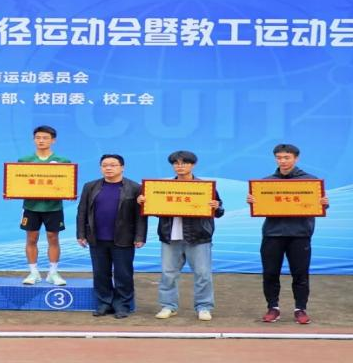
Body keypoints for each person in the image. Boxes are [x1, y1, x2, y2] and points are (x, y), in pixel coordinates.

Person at [246, 143, 329, 325]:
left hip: (300, 234)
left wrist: (323, 203)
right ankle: (272, 308)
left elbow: (319, 205)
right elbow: (261, 205)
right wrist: (254, 201)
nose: (282, 161)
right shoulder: (265, 183)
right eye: (279, 157)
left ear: (296, 158)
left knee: (300, 274)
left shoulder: (310, 181)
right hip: (272, 234)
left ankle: (300, 309)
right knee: (270, 273)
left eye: (286, 157)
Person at [137, 151, 223, 321]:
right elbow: (156, 210)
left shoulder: (205, 188)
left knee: (203, 274)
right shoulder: (162, 188)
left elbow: (219, 211)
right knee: (168, 274)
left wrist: (216, 206)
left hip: (199, 238)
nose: (180, 166)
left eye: (184, 163)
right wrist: (144, 203)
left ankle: (204, 307)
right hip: (170, 237)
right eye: (176, 163)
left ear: (193, 165)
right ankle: (168, 306)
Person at [76, 154, 146, 319]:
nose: (108, 168)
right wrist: (81, 234)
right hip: (97, 238)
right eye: (105, 165)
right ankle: (104, 303)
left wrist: (140, 236)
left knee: (123, 274)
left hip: (124, 238)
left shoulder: (135, 188)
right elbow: (82, 211)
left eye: (113, 165)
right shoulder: (90, 186)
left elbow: (141, 215)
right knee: (100, 273)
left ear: (122, 167)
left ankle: (122, 305)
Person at [17, 125, 71, 286]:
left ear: (53, 140)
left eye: (45, 138)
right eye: (38, 137)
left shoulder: (63, 161)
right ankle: (33, 273)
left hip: (54, 207)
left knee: (53, 238)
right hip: (31, 207)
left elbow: (66, 184)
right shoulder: (24, 160)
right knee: (31, 238)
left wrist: (68, 192)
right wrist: (11, 192)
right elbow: (18, 183)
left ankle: (53, 273)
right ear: (34, 140)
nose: (41, 140)